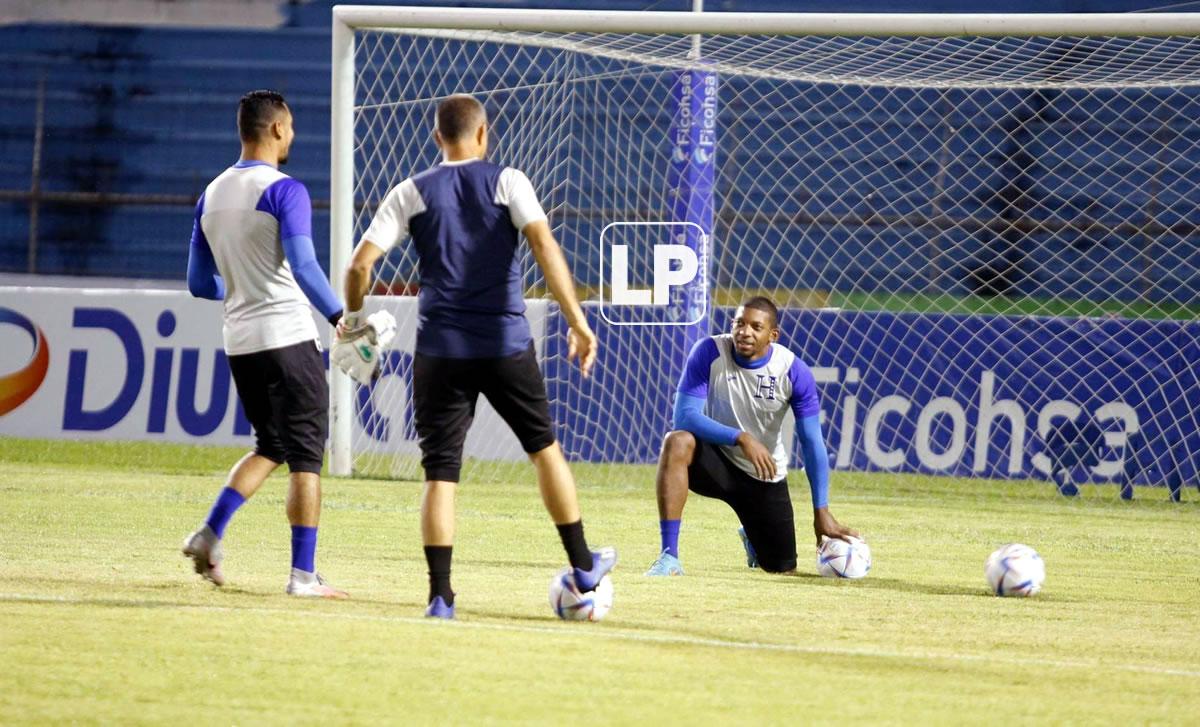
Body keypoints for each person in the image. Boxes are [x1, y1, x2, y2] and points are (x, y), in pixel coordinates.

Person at [339, 94, 614, 619]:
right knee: (543, 449)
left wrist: (354, 322)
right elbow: (544, 247)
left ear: (436, 136)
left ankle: (440, 597)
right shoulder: (509, 180)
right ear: (484, 134)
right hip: (505, 344)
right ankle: (583, 566)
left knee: (441, 474)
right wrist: (578, 322)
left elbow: (358, 267)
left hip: (440, 351)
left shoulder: (410, 191)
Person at [181, 90, 347, 599]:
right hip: (288, 338)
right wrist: (340, 314)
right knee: (305, 457)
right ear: (276, 129)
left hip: (241, 341)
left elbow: (198, 284)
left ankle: (208, 535)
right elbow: (303, 266)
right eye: (291, 127)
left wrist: (244, 285)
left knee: (270, 445)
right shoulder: (285, 191)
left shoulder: (210, 195)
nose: (293, 135)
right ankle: (303, 576)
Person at [645, 297, 858, 576]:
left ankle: (753, 533)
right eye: (740, 323)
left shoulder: (793, 371)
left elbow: (811, 442)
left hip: (763, 475)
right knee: (677, 440)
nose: (745, 331)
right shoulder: (709, 352)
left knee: (783, 571)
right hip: (715, 463)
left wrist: (822, 511)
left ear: (773, 335)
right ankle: (669, 557)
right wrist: (741, 438)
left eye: (756, 327)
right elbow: (685, 417)